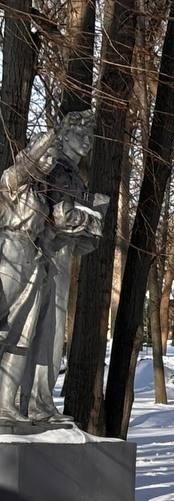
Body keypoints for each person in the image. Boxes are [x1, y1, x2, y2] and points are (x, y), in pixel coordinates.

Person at [0, 110, 104, 424]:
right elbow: (61, 215)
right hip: (12, 257)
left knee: (26, 334)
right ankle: (28, 403)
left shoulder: (50, 185)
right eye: (80, 135)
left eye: (90, 137)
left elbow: (54, 217)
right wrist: (92, 218)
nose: (87, 142)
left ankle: (14, 404)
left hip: (36, 261)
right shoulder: (14, 181)